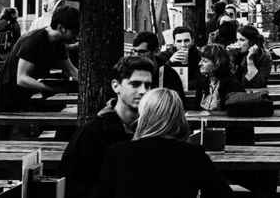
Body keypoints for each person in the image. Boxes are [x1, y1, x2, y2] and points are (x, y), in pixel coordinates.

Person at [93, 88, 234, 198]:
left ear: (144, 115)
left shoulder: (118, 153)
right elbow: (222, 193)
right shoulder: (193, 154)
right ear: (178, 116)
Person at [61, 56, 156, 198]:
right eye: (135, 84)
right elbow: (74, 185)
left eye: (148, 85)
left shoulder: (154, 128)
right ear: (116, 86)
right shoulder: (91, 134)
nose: (143, 91)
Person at [0, 5, 80, 140]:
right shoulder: (34, 40)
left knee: (13, 149)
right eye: (74, 31)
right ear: (62, 28)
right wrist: (49, 88)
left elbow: (72, 71)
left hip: (18, 103)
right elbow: (21, 78)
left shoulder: (58, 44)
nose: (77, 36)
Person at [131, 32, 187, 105]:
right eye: (134, 51)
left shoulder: (168, 75)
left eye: (142, 52)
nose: (136, 56)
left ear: (156, 51)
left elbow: (176, 105)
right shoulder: (130, 73)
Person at [194, 44, 244, 111]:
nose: (199, 63)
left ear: (217, 64)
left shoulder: (232, 85)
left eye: (205, 61)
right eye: (201, 60)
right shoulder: (202, 83)